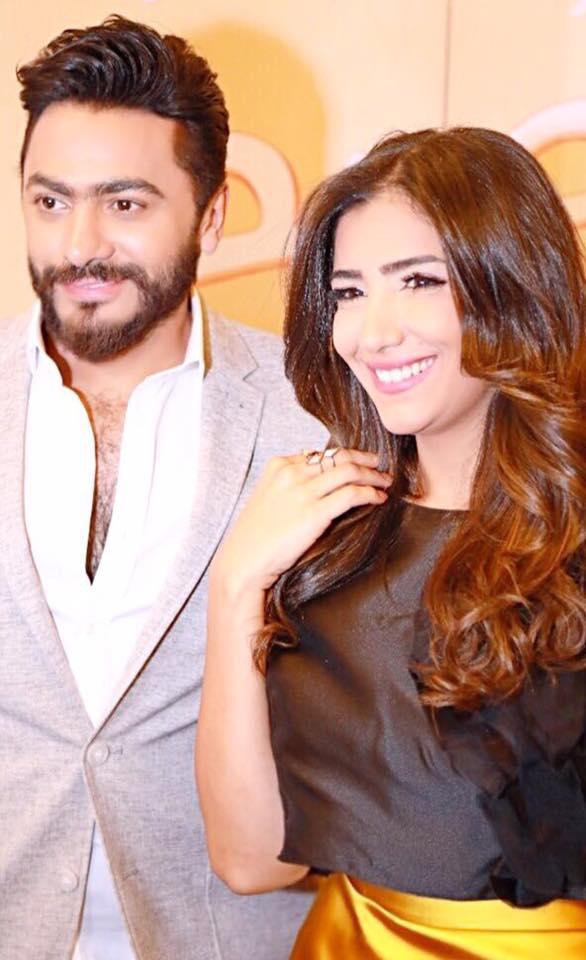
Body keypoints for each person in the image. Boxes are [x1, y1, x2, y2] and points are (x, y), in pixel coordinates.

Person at [196, 127, 586, 957]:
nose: (372, 333)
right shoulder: (328, 537)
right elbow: (250, 860)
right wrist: (234, 588)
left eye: (419, 280)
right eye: (349, 291)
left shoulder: (573, 538)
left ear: (510, 284)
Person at [0, 15, 325, 960]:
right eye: (50, 201)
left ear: (211, 216)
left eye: (126, 203)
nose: (81, 245)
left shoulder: (315, 413)